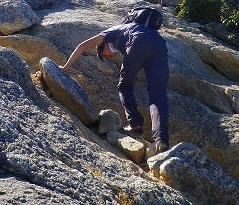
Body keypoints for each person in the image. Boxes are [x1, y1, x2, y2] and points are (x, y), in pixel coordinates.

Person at [60, 15, 170, 153]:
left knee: (124, 86)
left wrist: (65, 68)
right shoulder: (135, 30)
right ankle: (161, 140)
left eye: (102, 54)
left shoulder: (111, 32)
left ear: (104, 45)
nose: (106, 57)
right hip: (160, 45)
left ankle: (135, 124)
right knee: (158, 94)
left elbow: (82, 46)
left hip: (139, 41)